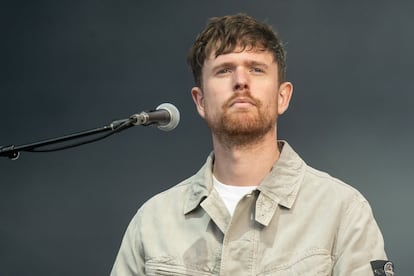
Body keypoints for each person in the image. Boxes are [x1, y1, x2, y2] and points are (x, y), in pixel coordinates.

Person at [111, 13, 392, 275]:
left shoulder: (341, 211)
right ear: (200, 101)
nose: (241, 81)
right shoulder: (153, 222)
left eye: (256, 69)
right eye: (223, 70)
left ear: (283, 96)